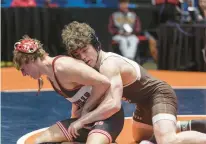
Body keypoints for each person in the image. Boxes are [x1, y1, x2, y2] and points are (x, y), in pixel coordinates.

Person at [61, 21, 206, 144]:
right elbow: (79, 101)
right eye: (77, 55)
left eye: (85, 50)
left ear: (95, 44)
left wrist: (81, 121)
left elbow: (113, 105)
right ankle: (180, 125)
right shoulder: (88, 69)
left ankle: (168, 129)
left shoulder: (108, 64)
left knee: (167, 140)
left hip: (159, 95)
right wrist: (75, 125)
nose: (83, 57)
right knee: (140, 138)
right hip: (142, 103)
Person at [13, 36, 124, 144]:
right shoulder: (51, 75)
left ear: (30, 59)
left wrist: (85, 112)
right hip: (87, 119)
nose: (24, 74)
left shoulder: (63, 66)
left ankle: (100, 138)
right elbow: (78, 97)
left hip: (107, 117)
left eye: (23, 68)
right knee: (41, 141)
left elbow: (103, 82)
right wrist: (76, 119)